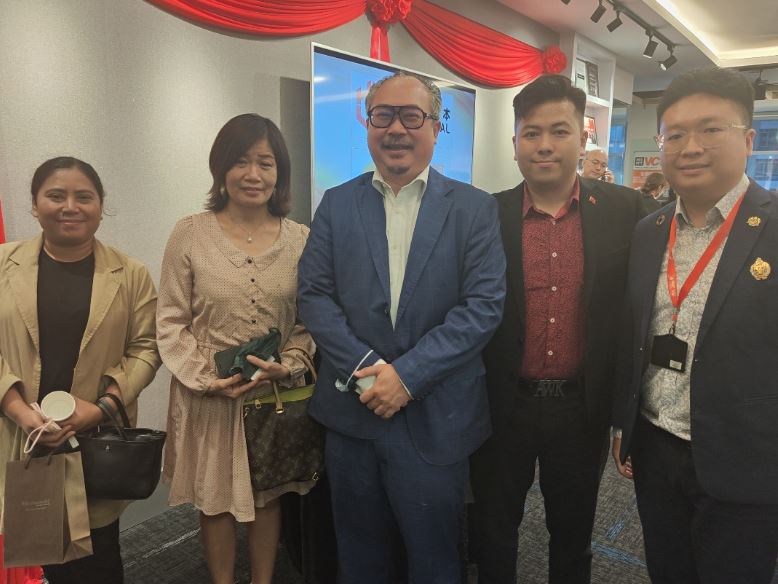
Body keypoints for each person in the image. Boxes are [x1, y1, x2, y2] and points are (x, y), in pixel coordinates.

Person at [297, 71, 506, 584]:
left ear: (435, 127)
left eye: (411, 117)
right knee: (359, 557)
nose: (396, 129)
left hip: (436, 417)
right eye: (383, 115)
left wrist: (407, 377)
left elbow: (482, 307)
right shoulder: (337, 203)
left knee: (435, 560)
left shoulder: (475, 209)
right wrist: (369, 368)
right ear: (368, 125)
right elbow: (314, 295)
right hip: (353, 414)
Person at [469, 74, 645, 584]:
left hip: (580, 407)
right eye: (532, 133)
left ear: (582, 139)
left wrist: (625, 413)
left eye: (559, 131)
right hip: (502, 403)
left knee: (572, 532)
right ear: (515, 143)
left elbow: (640, 312)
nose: (544, 145)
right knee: (493, 530)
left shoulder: (626, 210)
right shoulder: (485, 213)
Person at [612, 67, 778, 584]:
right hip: (656, 446)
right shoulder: (649, 229)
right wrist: (625, 422)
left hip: (746, 455)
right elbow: (636, 332)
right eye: (675, 134)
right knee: (668, 569)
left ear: (748, 140)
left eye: (711, 129)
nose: (691, 147)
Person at [156, 113, 315, 584]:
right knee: (215, 501)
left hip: (272, 393)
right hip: (210, 395)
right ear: (221, 168)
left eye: (265, 163)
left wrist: (289, 365)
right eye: (241, 161)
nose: (253, 174)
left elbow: (308, 321)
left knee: (267, 496)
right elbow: (170, 319)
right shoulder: (189, 233)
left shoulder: (301, 240)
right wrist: (206, 379)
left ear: (279, 172)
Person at [0, 156, 161, 584]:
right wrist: (21, 412)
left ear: (100, 206)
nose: (70, 206)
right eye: (56, 195)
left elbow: (147, 348)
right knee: (47, 548)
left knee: (100, 555)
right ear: (35, 204)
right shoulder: (3, 265)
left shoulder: (131, 274)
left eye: (83, 197)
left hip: (94, 439)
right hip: (25, 436)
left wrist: (102, 407)